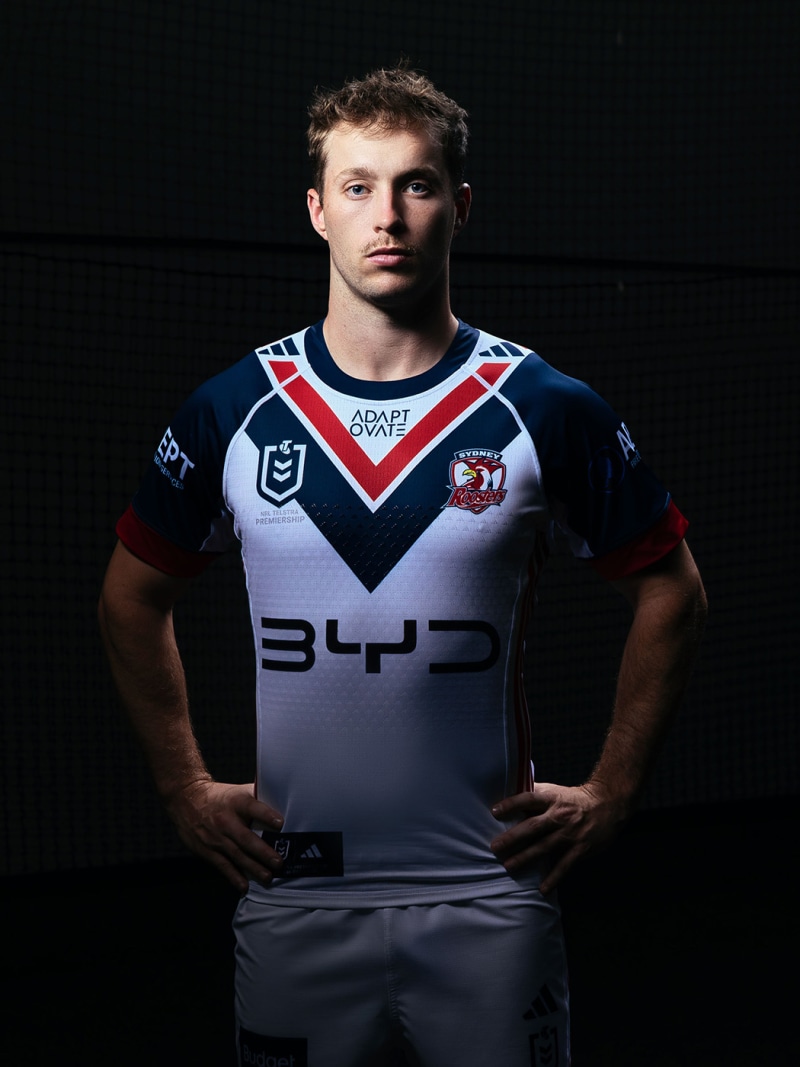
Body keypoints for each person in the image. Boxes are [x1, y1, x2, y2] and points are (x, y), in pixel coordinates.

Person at [98, 65, 707, 1067]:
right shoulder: (235, 409)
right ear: (317, 210)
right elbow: (130, 597)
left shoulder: (541, 406)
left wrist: (613, 788)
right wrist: (183, 785)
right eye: (357, 186)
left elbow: (671, 589)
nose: (387, 215)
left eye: (415, 185)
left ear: (458, 206)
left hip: (486, 892)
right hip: (295, 892)